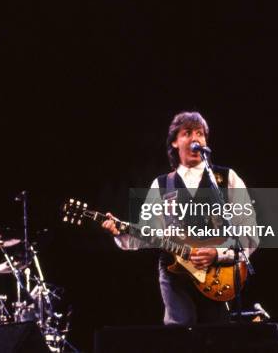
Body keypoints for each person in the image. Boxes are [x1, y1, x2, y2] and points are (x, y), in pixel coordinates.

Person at [102, 111, 258, 325]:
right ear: (175, 142)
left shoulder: (227, 178)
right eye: (187, 133)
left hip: (216, 276)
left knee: (216, 336)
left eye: (200, 134)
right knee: (181, 334)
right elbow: (147, 234)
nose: (196, 139)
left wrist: (217, 254)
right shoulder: (162, 184)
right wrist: (121, 232)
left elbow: (250, 233)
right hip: (174, 275)